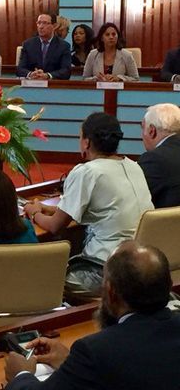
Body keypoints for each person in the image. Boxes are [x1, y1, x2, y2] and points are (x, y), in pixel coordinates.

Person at [4, 240, 180, 390]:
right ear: (169, 285)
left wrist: (21, 373)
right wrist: (71, 364)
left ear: (111, 293)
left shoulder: (96, 351)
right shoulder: (97, 356)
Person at [23, 112, 153, 299]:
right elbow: (105, 208)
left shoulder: (87, 172)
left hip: (104, 271)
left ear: (87, 142)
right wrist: (50, 209)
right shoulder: (134, 166)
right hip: (141, 266)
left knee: (42, 280)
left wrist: (34, 212)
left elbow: (55, 226)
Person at [138, 103, 180, 208]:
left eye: (143, 128)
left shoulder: (154, 159)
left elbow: (134, 196)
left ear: (152, 130)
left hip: (166, 222)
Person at [16, 13, 71, 80]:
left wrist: (48, 75)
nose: (41, 26)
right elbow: (20, 69)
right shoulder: (28, 44)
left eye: (45, 23)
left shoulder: (64, 46)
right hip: (32, 84)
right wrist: (31, 74)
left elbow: (66, 71)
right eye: (39, 23)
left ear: (54, 26)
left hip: (53, 87)